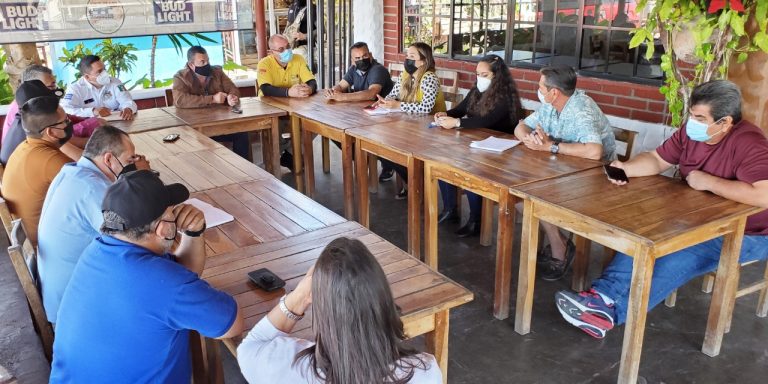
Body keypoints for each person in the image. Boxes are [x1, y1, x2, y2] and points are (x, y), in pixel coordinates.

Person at [556, 80, 768, 339]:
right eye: (692, 115)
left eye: (700, 118)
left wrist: (709, 182)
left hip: (752, 232)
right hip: (698, 217)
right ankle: (602, 297)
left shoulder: (750, 143)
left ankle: (609, 312)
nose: (693, 122)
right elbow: (657, 159)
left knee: (684, 250)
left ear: (725, 122)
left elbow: (763, 195)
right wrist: (626, 169)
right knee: (646, 234)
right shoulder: (692, 133)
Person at [50, 170, 243, 382]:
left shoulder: (98, 251)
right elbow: (231, 325)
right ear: (162, 229)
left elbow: (182, 273)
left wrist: (193, 233)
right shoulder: (165, 284)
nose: (177, 216)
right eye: (172, 214)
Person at [237, 237, 441, 383]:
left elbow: (249, 347)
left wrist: (298, 298)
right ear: (382, 298)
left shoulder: (285, 366)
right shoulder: (425, 372)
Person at [37, 125, 150, 325]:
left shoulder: (71, 171)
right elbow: (137, 240)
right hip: (72, 312)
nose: (133, 164)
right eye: (129, 160)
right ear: (108, 159)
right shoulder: (94, 189)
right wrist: (143, 179)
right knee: (156, 289)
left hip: (65, 290)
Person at [514, 65, 616, 281]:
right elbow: (521, 127)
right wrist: (529, 138)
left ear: (554, 92)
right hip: (563, 169)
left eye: (541, 86)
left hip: (597, 177)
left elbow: (594, 151)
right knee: (516, 194)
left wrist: (549, 147)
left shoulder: (581, 108)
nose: (538, 90)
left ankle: (559, 250)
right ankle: (560, 241)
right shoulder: (550, 106)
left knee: (537, 197)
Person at [434, 55, 525, 237]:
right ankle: (450, 210)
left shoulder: (505, 96)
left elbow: (486, 120)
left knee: (471, 174)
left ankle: (476, 220)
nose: (480, 79)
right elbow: (461, 109)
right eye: (478, 74)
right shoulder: (477, 90)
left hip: (502, 152)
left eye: (484, 75)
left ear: (497, 76)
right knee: (443, 164)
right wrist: (445, 113)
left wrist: (457, 123)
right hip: (479, 145)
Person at [0, 96, 74, 245]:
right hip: (46, 245)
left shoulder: (24, 147)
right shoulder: (51, 160)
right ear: (51, 132)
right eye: (65, 121)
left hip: (31, 236)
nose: (69, 123)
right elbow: (92, 189)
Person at [378, 42, 447, 199]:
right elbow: (393, 94)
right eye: (407, 56)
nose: (407, 60)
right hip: (409, 125)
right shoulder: (405, 75)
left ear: (423, 61)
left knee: (399, 150)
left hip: (432, 129)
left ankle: (416, 186)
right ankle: (412, 183)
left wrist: (398, 105)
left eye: (412, 57)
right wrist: (384, 101)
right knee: (385, 147)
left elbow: (426, 108)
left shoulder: (429, 78)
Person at [172, 46, 251, 160]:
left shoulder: (217, 72)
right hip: (193, 129)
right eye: (202, 62)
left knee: (242, 134)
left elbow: (233, 89)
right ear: (191, 65)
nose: (206, 65)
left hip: (218, 125)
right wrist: (212, 99)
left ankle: (245, 171)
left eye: (208, 60)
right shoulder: (181, 77)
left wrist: (231, 97)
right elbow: (180, 100)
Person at [1, 78, 101, 165]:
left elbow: (68, 142)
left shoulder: (25, 120)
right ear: (36, 107)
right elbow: (83, 161)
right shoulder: (35, 129)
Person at [257, 34, 318, 169]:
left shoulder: (298, 59)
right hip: (270, 108)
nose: (286, 51)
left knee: (316, 124)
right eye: (281, 49)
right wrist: (288, 92)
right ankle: (277, 157)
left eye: (288, 47)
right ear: (271, 52)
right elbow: (266, 89)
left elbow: (312, 81)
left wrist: (310, 89)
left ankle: (289, 155)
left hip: (295, 107)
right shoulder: (264, 63)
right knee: (275, 132)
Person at [60, 55, 137, 121]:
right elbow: (66, 109)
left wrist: (128, 108)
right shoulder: (76, 88)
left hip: (118, 124)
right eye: (100, 71)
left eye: (104, 69)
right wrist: (93, 111)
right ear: (87, 77)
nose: (105, 73)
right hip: (90, 128)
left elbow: (128, 101)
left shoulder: (115, 82)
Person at [324, 41, 394, 102]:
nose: (362, 60)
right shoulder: (354, 69)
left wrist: (342, 97)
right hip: (362, 109)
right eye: (358, 58)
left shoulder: (378, 69)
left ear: (370, 55)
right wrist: (332, 92)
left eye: (365, 56)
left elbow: (372, 94)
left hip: (383, 111)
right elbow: (341, 86)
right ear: (352, 61)